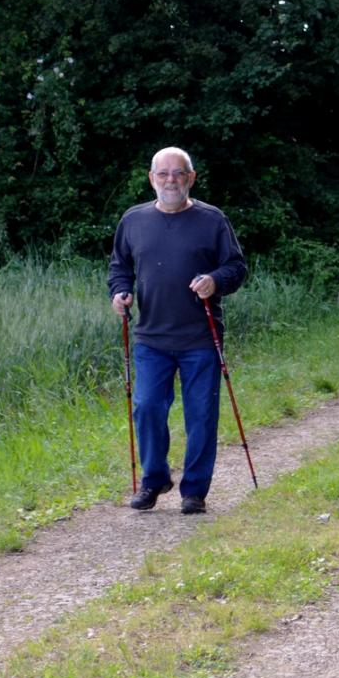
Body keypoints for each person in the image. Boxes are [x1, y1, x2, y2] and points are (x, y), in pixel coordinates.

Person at [108, 146, 248, 515]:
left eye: (179, 173)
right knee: (147, 407)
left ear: (192, 178)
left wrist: (215, 280)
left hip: (201, 337)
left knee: (201, 415)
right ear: (151, 178)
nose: (171, 180)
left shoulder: (212, 220)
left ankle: (194, 491)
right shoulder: (133, 220)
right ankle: (154, 480)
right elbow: (119, 266)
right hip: (151, 337)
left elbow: (236, 267)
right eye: (164, 174)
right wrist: (119, 293)